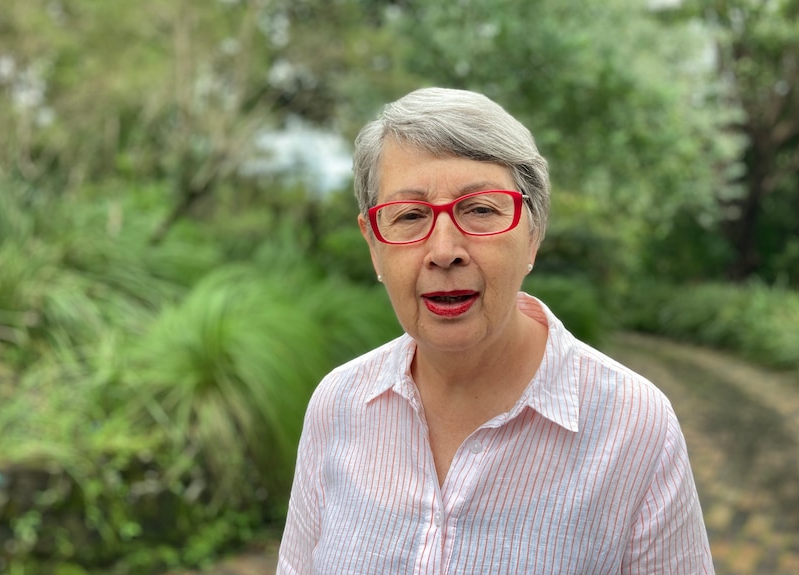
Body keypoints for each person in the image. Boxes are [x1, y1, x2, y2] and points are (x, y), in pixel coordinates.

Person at [277, 87, 714, 573]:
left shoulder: (634, 426)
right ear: (373, 244)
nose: (445, 250)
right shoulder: (337, 405)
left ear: (534, 231)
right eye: (410, 216)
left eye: (480, 209)